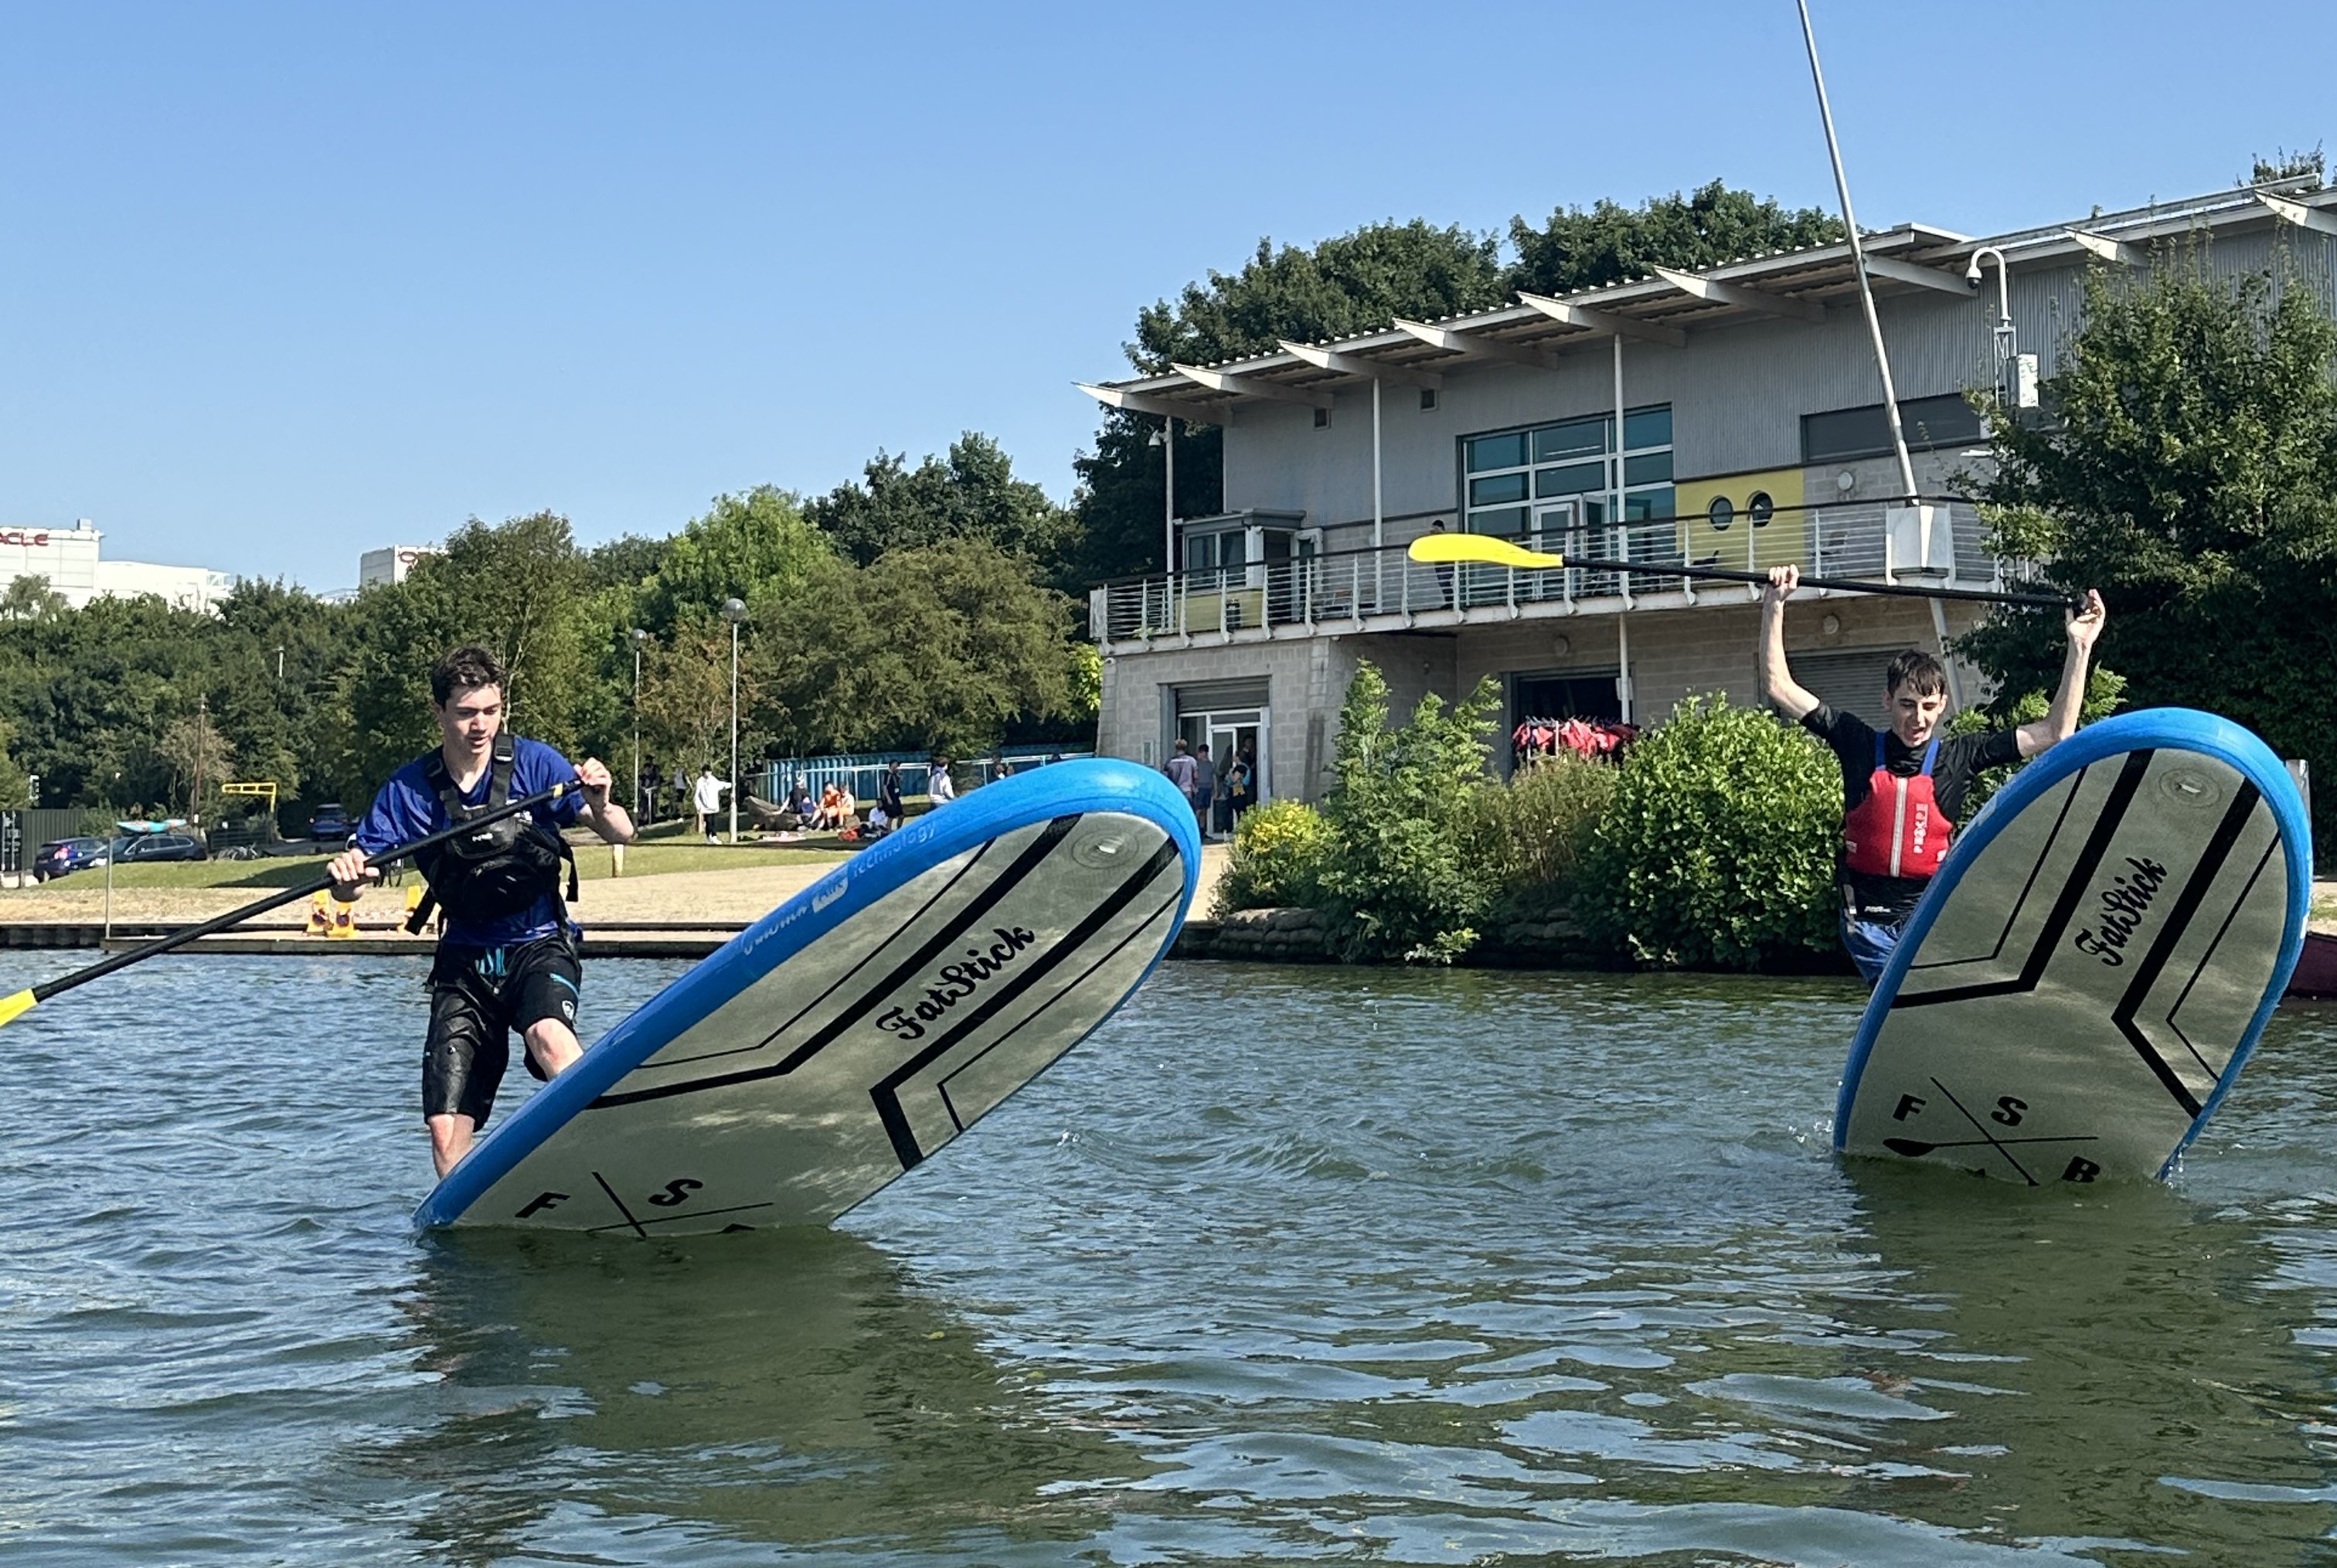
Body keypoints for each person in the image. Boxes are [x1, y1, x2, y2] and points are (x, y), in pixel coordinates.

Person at [326, 645, 634, 1178]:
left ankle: (609, 1158)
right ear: (438, 711)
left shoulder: (537, 763)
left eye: (491, 711)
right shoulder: (407, 790)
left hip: (539, 943)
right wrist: (348, 880)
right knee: (446, 1127)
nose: (480, 725)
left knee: (549, 1038)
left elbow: (622, 830)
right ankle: (464, 1221)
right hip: (464, 962)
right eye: (467, 713)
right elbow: (350, 892)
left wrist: (603, 802)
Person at [1757, 563, 2107, 984]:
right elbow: (1778, 686)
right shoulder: (1856, 743)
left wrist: (2080, 647)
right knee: (1903, 987)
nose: (1917, 719)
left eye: (1927, 707)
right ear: (1887, 701)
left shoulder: (1960, 757)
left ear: (1941, 705)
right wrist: (1774, 605)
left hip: (1927, 922)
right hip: (1867, 927)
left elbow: (2056, 731)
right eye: (1906, 704)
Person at [692, 767, 729, 844]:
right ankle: (710, 837)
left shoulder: (713, 780)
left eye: (709, 772)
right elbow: (697, 795)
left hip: (714, 805)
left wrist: (730, 785)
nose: (707, 773)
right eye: (706, 772)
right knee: (708, 822)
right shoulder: (700, 781)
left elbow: (720, 785)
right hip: (705, 807)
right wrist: (698, 806)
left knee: (713, 822)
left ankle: (713, 836)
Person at [1191, 743, 1216, 838]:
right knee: (1198, 810)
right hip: (1200, 788)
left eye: (1201, 753)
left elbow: (1214, 777)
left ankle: (1203, 831)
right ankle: (1195, 830)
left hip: (1208, 788)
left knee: (1205, 810)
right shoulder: (1197, 764)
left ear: (1204, 753)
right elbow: (1193, 776)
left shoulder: (1211, 764)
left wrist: (1215, 789)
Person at [1428, 519, 1455, 608]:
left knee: (1444, 581)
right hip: (1439, 563)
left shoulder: (1446, 537)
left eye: (1436, 529)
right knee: (1442, 583)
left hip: (1447, 563)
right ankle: (1449, 601)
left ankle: (1451, 602)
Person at [1164, 737, 1197, 805]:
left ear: (1176, 748)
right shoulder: (1191, 760)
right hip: (1187, 790)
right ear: (1185, 748)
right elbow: (1196, 776)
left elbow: (1166, 775)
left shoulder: (1170, 761)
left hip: (1175, 790)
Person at [878, 761, 905, 826]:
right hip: (890, 797)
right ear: (892, 765)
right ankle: (888, 831)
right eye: (896, 764)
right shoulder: (887, 774)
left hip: (896, 798)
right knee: (891, 816)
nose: (897, 766)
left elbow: (901, 782)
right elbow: (884, 787)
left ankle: (899, 830)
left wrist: (900, 776)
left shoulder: (895, 774)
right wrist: (888, 798)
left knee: (901, 815)